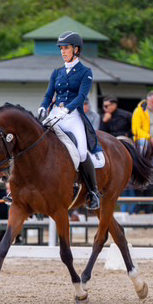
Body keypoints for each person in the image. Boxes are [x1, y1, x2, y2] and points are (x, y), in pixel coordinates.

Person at [39, 31, 101, 210]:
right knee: (34, 142)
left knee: (81, 153)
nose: (63, 51)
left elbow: (82, 96)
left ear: (76, 49)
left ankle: (92, 192)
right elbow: (49, 94)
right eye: (61, 49)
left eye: (66, 48)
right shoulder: (57, 72)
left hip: (73, 116)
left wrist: (67, 109)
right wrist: (43, 106)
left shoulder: (85, 72)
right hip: (54, 114)